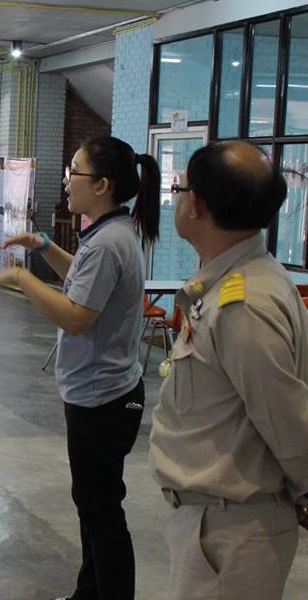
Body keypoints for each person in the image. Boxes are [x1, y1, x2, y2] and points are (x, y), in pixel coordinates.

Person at [0, 136, 161, 600]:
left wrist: (22, 278)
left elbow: (77, 316)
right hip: (102, 392)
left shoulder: (108, 243)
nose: (66, 181)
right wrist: (45, 247)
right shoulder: (111, 233)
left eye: (73, 172)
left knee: (101, 512)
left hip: (102, 399)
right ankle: (89, 592)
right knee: (93, 506)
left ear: (101, 185)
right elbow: (82, 278)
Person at [149, 140, 308, 600]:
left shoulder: (244, 304)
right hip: (219, 522)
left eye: (178, 188)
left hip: (232, 530)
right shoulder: (239, 282)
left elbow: (287, 418)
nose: (175, 199)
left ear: (196, 204)